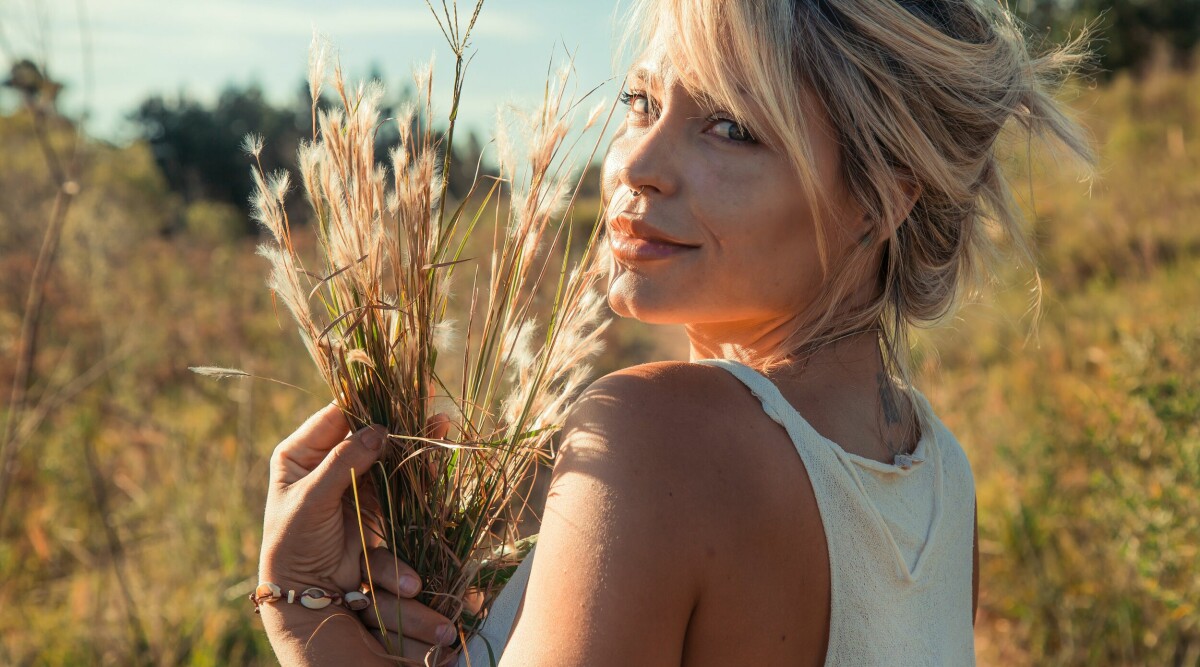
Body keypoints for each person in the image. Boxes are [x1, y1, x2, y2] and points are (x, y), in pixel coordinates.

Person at [255, 0, 1093, 664]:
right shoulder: (940, 474)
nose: (635, 165)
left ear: (881, 195)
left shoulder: (652, 435)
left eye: (731, 126)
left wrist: (302, 617)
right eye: (642, 102)